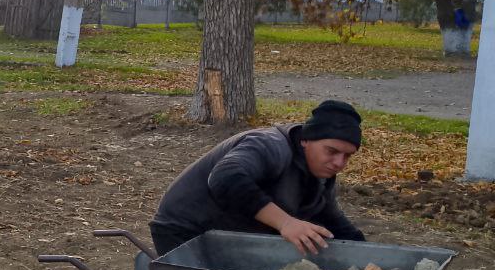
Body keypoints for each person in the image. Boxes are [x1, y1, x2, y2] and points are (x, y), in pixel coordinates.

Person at [150, 99, 365, 257]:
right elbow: (225, 178)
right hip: (186, 231)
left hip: (229, 234)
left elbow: (331, 219)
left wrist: (370, 255)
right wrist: (286, 223)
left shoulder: (320, 173)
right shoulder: (269, 145)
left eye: (347, 156)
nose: (339, 163)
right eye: (332, 151)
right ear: (306, 140)